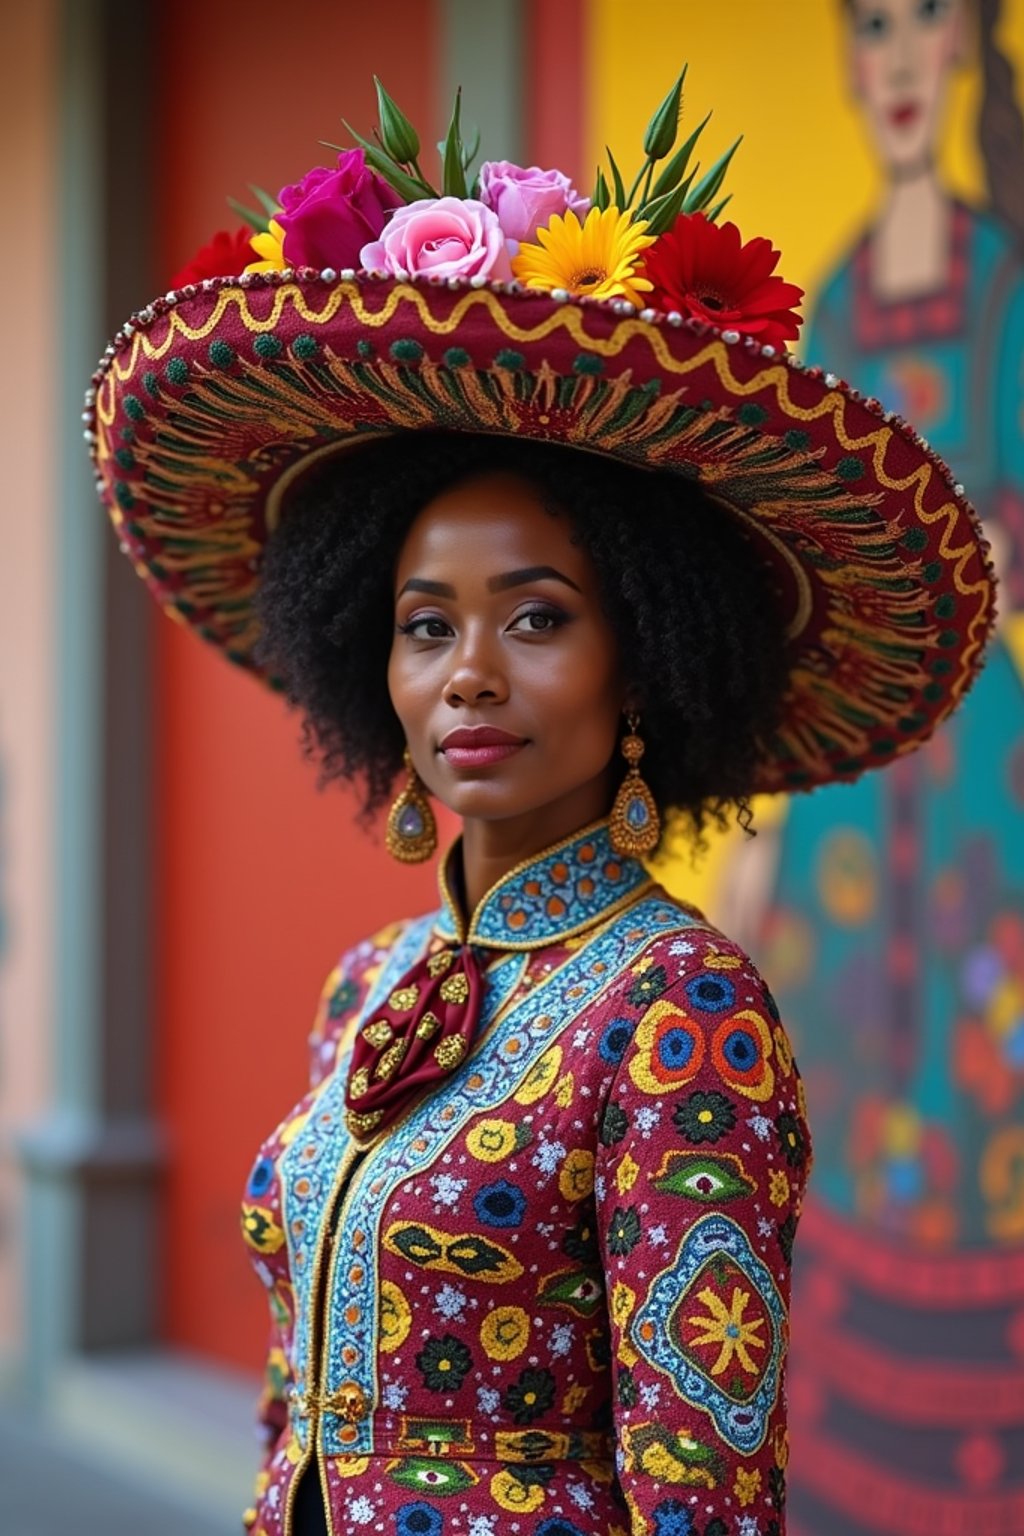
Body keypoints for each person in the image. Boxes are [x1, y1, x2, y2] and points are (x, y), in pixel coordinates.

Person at [86, 75, 993, 1536]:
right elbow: (291, 1410)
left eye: (540, 618)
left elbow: (705, 1495)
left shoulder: (682, 1008)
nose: (470, 678)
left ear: (649, 653)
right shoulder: (366, 986)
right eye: (426, 624)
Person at [720, 3, 1024, 1529]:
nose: (902, 62)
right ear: (851, 62)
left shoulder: (1006, 286)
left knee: (990, 1098)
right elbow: (802, 580)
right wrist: (762, 830)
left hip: (987, 790)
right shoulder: (833, 302)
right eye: (876, 28)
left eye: (929, 25)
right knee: (831, 1090)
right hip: (848, 785)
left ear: (970, 49)